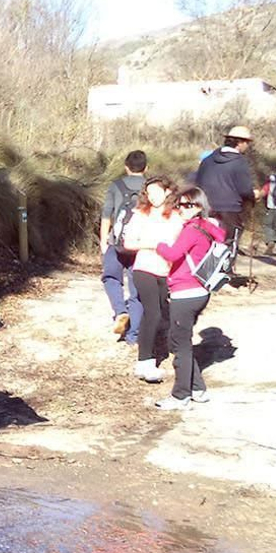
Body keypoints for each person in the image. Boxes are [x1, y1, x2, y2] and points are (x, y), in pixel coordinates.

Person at [154, 186, 227, 411]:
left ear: (199, 206)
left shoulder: (192, 229)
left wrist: (159, 245)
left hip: (185, 292)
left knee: (179, 345)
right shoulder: (208, 227)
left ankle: (180, 395)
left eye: (187, 205)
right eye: (179, 205)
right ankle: (197, 389)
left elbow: (173, 254)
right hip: (200, 291)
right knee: (182, 341)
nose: (182, 209)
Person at [122, 175, 183, 383]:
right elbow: (129, 243)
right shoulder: (141, 214)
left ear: (167, 191)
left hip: (166, 270)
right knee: (153, 313)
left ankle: (153, 355)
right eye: (149, 193)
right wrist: (152, 244)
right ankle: (144, 361)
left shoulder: (177, 215)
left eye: (157, 191)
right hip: (145, 267)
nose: (152, 196)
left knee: (162, 314)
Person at [99, 149, 147, 341]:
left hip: (117, 242)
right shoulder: (152, 187)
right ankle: (133, 335)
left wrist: (104, 241)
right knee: (137, 289)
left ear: (126, 167)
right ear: (146, 168)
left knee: (111, 278)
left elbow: (106, 215)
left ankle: (120, 311)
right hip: (143, 245)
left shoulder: (115, 185)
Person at [196, 125, 256, 246]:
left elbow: (198, 184)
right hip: (231, 211)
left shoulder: (207, 160)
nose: (247, 146)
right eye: (247, 143)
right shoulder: (240, 162)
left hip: (206, 209)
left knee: (207, 246)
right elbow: (244, 190)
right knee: (228, 247)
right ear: (240, 143)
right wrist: (254, 196)